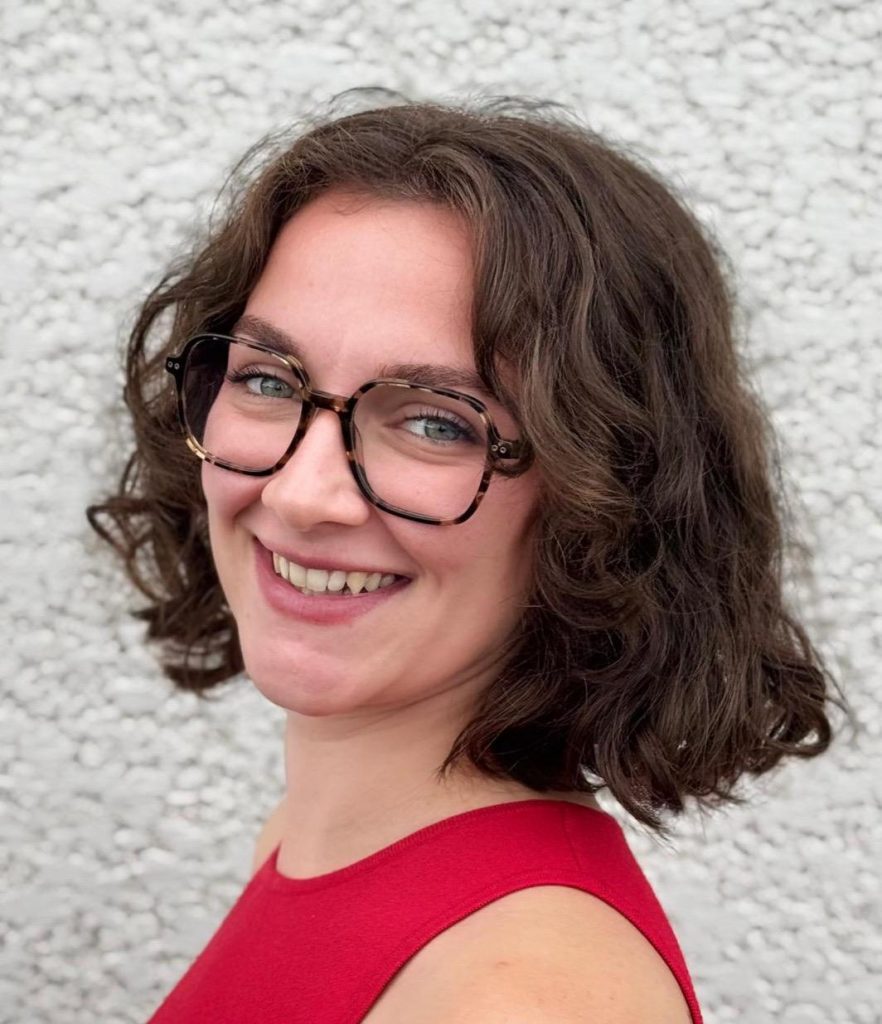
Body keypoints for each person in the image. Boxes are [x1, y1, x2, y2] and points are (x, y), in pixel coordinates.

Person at [87, 90, 840, 1024]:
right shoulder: (318, 842)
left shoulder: (519, 998)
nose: (301, 495)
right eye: (268, 381)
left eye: (438, 423)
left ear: (604, 502)